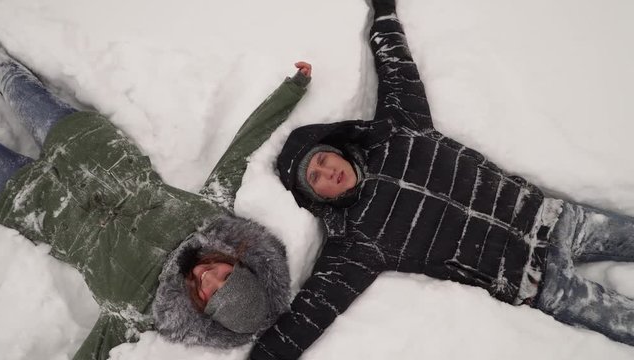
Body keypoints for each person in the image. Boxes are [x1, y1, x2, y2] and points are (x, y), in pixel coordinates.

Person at [250, 1, 634, 359]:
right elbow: (309, 315)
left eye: (320, 160)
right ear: (318, 197)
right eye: (315, 180)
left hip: (558, 219)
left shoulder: (401, 129)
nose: (326, 173)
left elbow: (397, 66)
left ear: (332, 147)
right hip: (538, 281)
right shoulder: (354, 242)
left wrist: (384, 10)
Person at [0, 39, 311, 360]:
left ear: (205, 314)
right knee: (13, 83)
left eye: (211, 296)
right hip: (88, 147)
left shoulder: (143, 315)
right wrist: (291, 91)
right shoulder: (212, 218)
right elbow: (241, 151)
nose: (208, 276)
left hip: (31, 203)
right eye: (226, 276)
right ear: (241, 263)